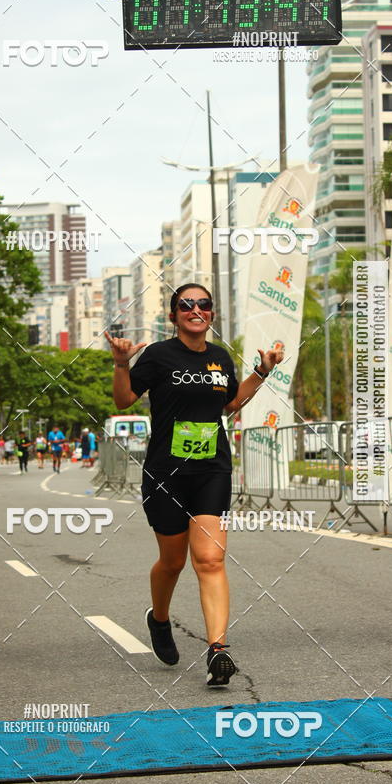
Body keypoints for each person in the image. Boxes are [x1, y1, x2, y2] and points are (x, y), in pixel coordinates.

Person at [105, 283, 283, 686]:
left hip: (211, 469)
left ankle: (217, 649)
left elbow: (230, 403)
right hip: (166, 473)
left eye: (204, 304)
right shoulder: (158, 356)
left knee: (210, 559)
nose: (195, 309)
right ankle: (160, 618)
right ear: (174, 316)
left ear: (212, 314)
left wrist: (262, 371)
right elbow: (122, 401)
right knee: (173, 562)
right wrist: (120, 365)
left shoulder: (220, 359)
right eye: (186, 305)